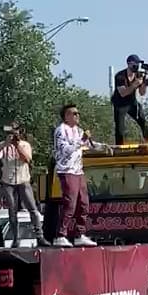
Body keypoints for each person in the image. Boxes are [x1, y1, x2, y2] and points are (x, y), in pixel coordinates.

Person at [52, 103, 108, 247]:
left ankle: (80, 234)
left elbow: (89, 144)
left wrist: (104, 147)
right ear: (66, 116)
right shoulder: (61, 130)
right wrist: (82, 140)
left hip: (78, 170)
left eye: (78, 113)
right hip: (67, 170)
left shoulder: (78, 130)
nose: (77, 116)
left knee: (84, 203)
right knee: (70, 202)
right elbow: (65, 150)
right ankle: (60, 235)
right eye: (74, 113)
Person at [0, 122, 50, 247]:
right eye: (11, 131)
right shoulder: (3, 145)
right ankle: (16, 238)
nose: (13, 133)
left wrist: (17, 145)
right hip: (8, 181)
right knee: (12, 210)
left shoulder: (25, 145)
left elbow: (27, 159)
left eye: (15, 131)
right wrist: (6, 144)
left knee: (32, 209)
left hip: (23, 180)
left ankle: (40, 236)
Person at [111, 54, 148, 145]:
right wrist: (135, 84)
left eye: (137, 64)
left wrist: (144, 84)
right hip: (120, 103)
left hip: (132, 102)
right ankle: (119, 147)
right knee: (120, 129)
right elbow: (123, 93)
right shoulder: (120, 76)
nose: (136, 66)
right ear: (129, 64)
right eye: (134, 64)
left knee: (144, 122)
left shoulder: (138, 75)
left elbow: (142, 93)